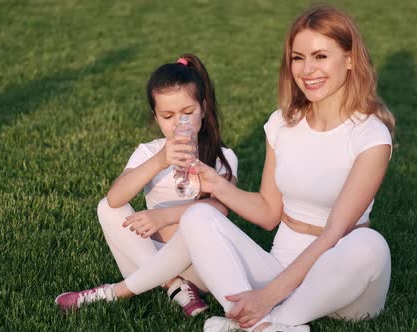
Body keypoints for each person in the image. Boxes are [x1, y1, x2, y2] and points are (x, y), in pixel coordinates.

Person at [178, 5, 395, 332]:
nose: (308, 69)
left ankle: (265, 322)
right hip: (280, 264)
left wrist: (268, 296)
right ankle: (265, 324)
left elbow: (334, 233)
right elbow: (268, 212)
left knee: (371, 246)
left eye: (320, 56)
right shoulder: (281, 124)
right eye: (298, 57)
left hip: (344, 286)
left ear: (350, 59)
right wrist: (217, 185)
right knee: (197, 216)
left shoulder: (370, 134)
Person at [55, 54, 238, 317]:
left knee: (199, 221)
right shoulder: (148, 153)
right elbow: (115, 198)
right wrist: (160, 160)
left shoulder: (223, 158)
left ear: (204, 108)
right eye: (168, 115)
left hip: (197, 265)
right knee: (106, 208)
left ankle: (116, 291)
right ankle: (173, 285)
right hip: (146, 257)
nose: (179, 123)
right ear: (155, 117)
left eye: (188, 112)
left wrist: (163, 216)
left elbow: (220, 208)